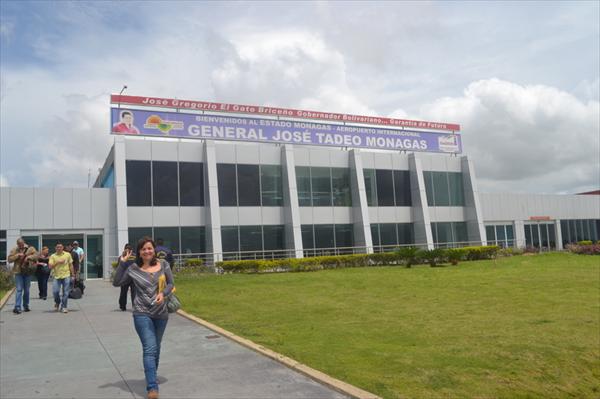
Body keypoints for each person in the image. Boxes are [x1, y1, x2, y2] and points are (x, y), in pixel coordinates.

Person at [113, 237, 174, 399]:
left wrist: (163, 293)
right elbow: (117, 282)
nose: (147, 251)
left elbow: (170, 284)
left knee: (157, 347)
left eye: (149, 248)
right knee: (149, 348)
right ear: (139, 252)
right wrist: (122, 262)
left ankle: (151, 374)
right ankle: (152, 387)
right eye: (143, 249)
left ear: (154, 250)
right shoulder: (133, 268)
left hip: (161, 313)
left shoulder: (164, 265)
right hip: (142, 313)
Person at [7, 238, 38, 314]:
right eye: (19, 244)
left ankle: (26, 305)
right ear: (17, 244)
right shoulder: (15, 249)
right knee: (19, 289)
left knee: (27, 290)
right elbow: (9, 259)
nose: (20, 246)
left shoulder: (30, 248)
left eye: (21, 244)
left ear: (24, 243)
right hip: (18, 272)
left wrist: (28, 257)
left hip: (27, 271)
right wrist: (17, 255)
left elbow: (37, 256)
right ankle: (17, 307)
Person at [49, 242, 74, 313]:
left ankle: (64, 307)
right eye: (57, 247)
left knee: (66, 292)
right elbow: (50, 266)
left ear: (63, 247)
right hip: (56, 277)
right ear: (55, 248)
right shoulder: (53, 256)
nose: (59, 248)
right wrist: (58, 262)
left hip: (66, 275)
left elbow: (71, 265)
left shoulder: (67, 254)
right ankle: (57, 302)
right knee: (55, 292)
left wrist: (73, 275)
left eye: (60, 247)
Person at [118, 243, 136, 311]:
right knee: (134, 292)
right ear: (132, 250)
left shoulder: (121, 257)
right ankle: (134, 306)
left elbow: (119, 267)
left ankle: (122, 306)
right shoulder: (136, 256)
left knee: (123, 292)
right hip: (134, 277)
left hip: (124, 277)